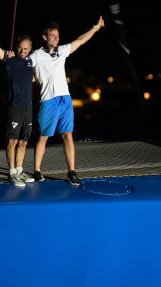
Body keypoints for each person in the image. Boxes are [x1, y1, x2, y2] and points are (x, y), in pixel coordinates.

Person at [29, 16, 105, 186]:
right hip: (48, 100)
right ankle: (37, 171)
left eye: (57, 35)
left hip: (65, 99)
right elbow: (22, 68)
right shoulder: (36, 55)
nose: (55, 38)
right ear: (44, 37)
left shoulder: (62, 50)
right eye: (52, 36)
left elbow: (80, 40)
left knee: (68, 135)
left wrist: (96, 27)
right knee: (43, 137)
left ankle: (71, 171)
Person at [0, 15, 35, 187]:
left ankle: (19, 170)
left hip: (28, 107)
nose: (23, 51)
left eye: (26, 48)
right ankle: (11, 173)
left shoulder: (31, 62)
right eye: (21, 48)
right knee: (12, 141)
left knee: (24, 141)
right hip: (15, 107)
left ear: (30, 48)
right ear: (16, 48)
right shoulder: (9, 60)